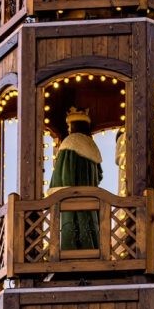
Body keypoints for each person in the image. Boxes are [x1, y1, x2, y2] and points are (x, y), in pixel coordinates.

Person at [49, 107, 103, 250]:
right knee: (88, 230)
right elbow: (99, 175)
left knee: (71, 232)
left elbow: (63, 175)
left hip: (71, 200)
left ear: (73, 125)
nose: (67, 129)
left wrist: (54, 191)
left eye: (69, 125)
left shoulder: (70, 142)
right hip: (90, 201)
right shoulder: (92, 145)